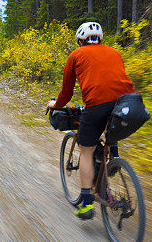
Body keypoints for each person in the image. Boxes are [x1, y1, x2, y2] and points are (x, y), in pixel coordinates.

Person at [46, 21, 136, 220]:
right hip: (127, 104)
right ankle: (113, 160)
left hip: (96, 106)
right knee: (112, 125)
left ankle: (87, 204)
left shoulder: (76, 55)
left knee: (86, 151)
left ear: (80, 41)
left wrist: (56, 104)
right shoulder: (115, 53)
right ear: (100, 39)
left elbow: (67, 92)